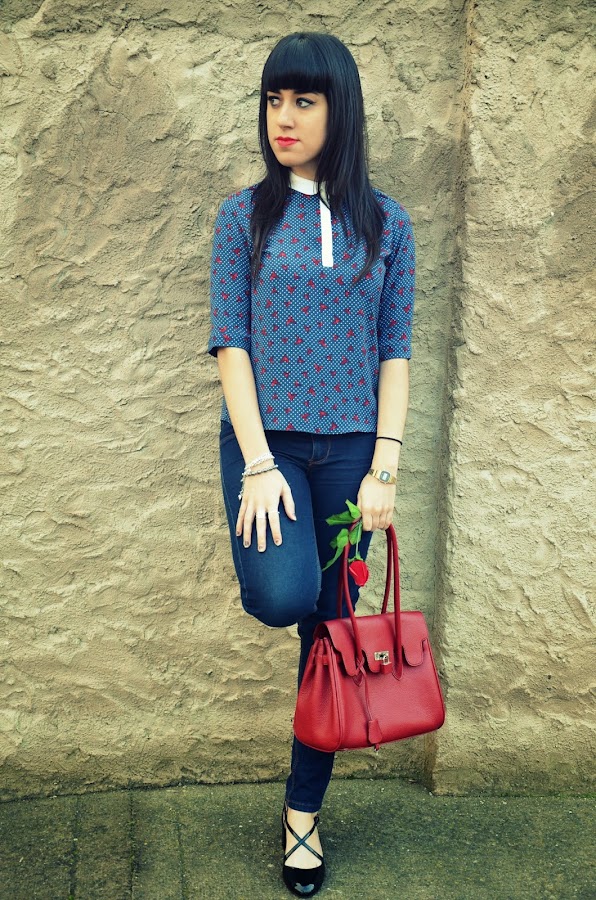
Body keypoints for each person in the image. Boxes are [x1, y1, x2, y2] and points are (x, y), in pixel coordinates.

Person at [208, 31, 415, 897]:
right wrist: (258, 463)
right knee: (283, 596)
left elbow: (394, 351)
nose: (283, 118)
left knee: (329, 635)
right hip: (269, 450)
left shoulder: (387, 223)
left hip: (353, 456)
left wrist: (384, 469)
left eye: (303, 101)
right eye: (273, 100)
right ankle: (303, 793)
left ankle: (303, 815)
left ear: (341, 111)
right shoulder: (244, 217)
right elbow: (232, 344)